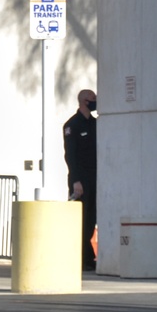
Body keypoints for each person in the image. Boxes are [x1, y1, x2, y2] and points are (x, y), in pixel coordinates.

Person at [63, 89, 97, 271]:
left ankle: (87, 256)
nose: (95, 101)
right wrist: (76, 180)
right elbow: (70, 155)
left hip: (95, 176)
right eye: (93, 98)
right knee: (81, 218)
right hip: (80, 177)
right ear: (84, 101)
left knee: (91, 218)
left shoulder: (96, 124)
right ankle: (85, 257)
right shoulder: (72, 125)